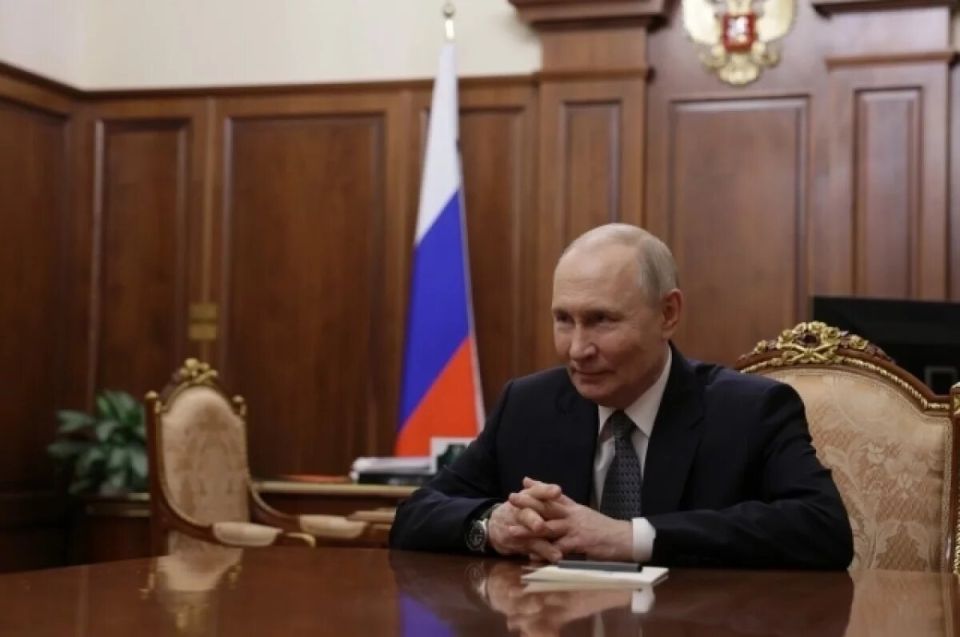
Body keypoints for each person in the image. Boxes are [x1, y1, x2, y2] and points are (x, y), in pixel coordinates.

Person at [390, 223, 853, 569]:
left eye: (601, 320)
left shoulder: (750, 410)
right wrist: (492, 526)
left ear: (668, 314)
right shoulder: (527, 406)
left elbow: (823, 529)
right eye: (564, 320)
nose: (578, 349)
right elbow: (415, 515)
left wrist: (630, 537)